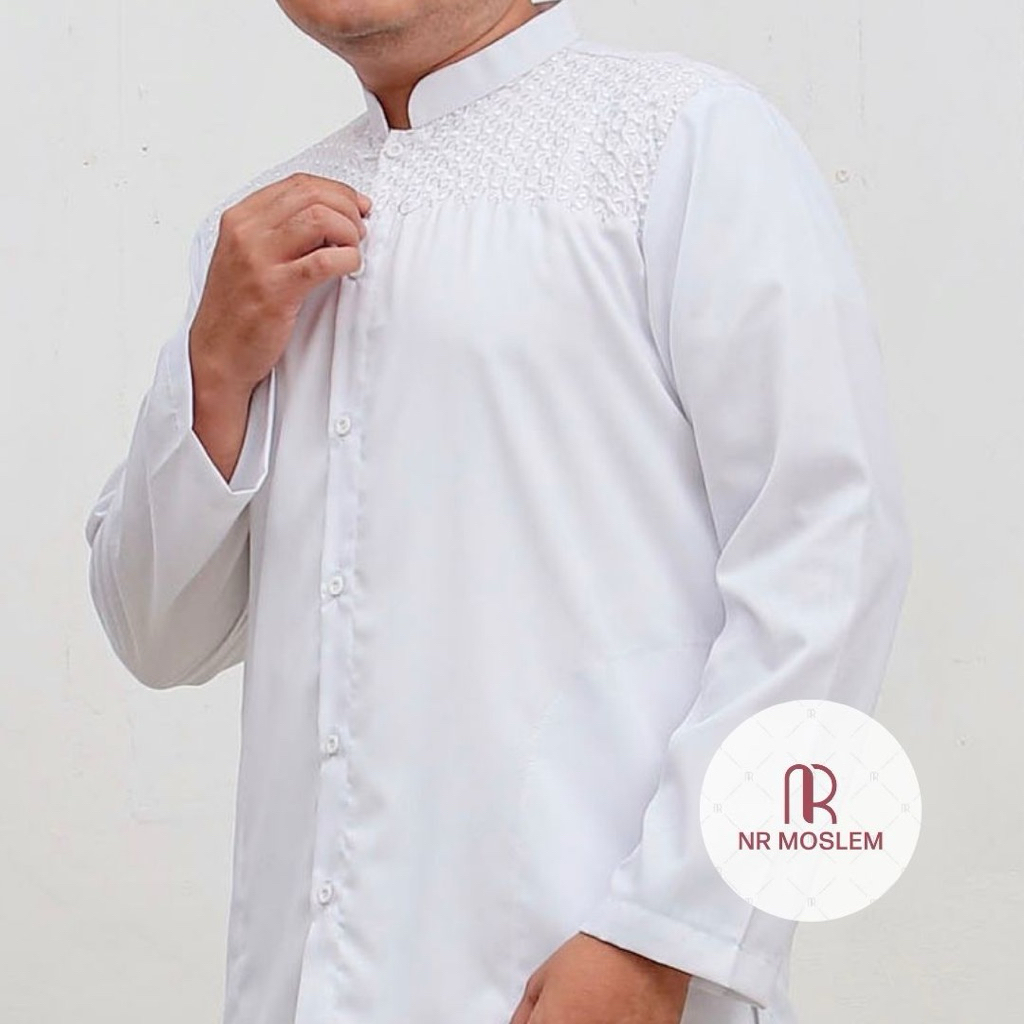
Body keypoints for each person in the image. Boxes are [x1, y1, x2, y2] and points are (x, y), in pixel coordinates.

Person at [83, 2, 912, 1023]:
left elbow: (829, 552)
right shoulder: (254, 237)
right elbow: (158, 635)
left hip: (593, 980)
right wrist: (213, 366)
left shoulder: (681, 139)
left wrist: (665, 937)